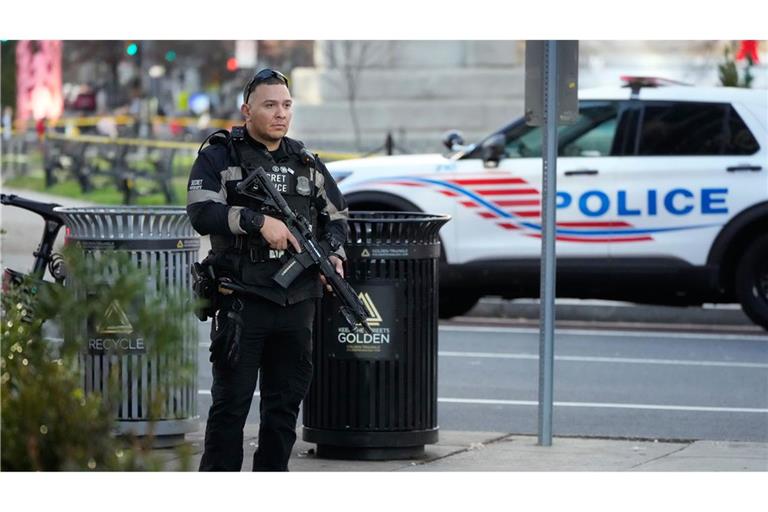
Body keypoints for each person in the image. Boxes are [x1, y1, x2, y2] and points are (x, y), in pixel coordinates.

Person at [187, 69, 349, 471]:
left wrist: (332, 254)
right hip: (242, 300)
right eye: (270, 105)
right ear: (247, 111)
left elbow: (338, 218)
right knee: (230, 408)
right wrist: (257, 222)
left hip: (298, 303)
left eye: (287, 105)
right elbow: (201, 212)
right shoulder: (219, 156)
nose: (281, 114)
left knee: (283, 411)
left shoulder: (306, 162)